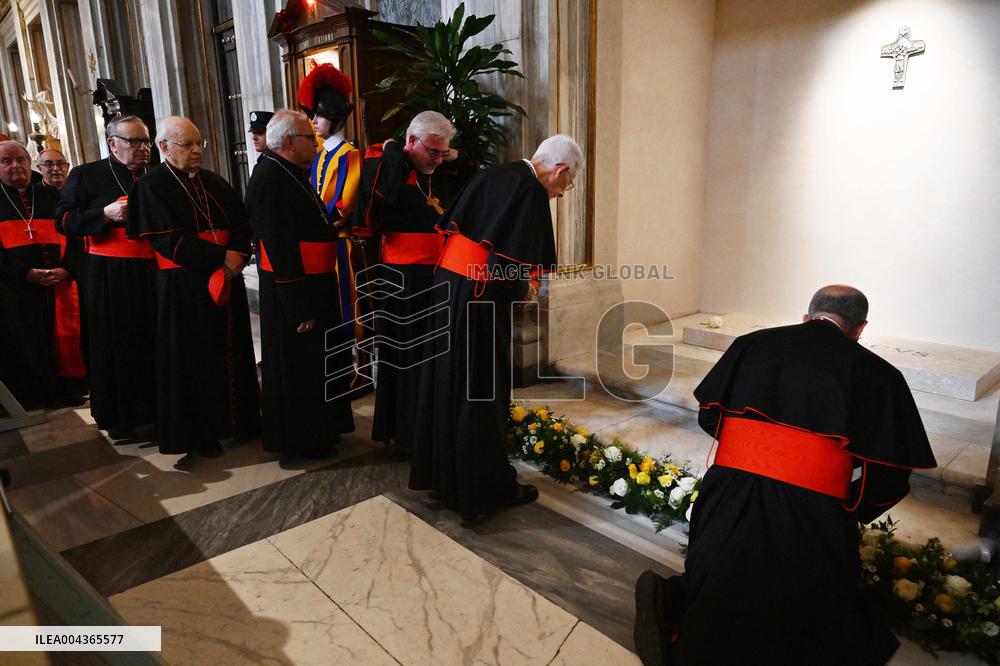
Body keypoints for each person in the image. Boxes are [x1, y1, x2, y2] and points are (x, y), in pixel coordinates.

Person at [633, 285, 938, 666]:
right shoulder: (881, 375)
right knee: (807, 605)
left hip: (729, 491)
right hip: (812, 509)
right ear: (860, 328)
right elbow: (890, 475)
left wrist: (755, 453)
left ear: (806, 316)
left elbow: (709, 414)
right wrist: (850, 507)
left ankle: (678, 610)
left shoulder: (751, 344)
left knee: (718, 574)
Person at [409, 134, 581, 523]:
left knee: (448, 383)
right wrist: (527, 288)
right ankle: (483, 491)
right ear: (561, 170)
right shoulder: (531, 191)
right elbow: (508, 272)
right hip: (477, 301)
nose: (561, 194)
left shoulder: (497, 173)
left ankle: (445, 479)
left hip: (448, 290)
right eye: (566, 186)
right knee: (481, 393)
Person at [126, 116, 259, 459]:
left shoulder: (214, 181)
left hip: (227, 279)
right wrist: (223, 257)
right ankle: (203, 433)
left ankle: (242, 420)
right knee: (194, 360)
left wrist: (238, 257)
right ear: (164, 147)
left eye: (200, 143)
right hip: (183, 286)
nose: (197, 151)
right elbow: (169, 242)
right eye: (188, 145)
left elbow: (244, 225)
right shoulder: (151, 186)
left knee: (234, 349)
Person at [352, 110, 476, 454]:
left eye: (443, 152)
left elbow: (469, 169)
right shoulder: (387, 163)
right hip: (401, 282)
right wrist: (395, 150)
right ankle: (406, 431)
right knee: (405, 357)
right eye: (431, 152)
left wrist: (447, 153)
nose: (437, 160)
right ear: (410, 141)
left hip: (439, 277)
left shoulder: (440, 168)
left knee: (433, 355)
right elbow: (378, 197)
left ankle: (431, 425)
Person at [245, 110, 354, 460]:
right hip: (295, 289)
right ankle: (300, 441)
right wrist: (297, 305)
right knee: (297, 368)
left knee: (316, 364)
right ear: (290, 142)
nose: (316, 142)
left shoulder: (289, 172)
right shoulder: (270, 177)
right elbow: (279, 246)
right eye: (310, 137)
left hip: (315, 284)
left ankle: (322, 428)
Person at [56, 115, 157, 440]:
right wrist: (104, 214)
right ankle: (121, 418)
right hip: (109, 275)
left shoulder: (156, 175)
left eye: (146, 141)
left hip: (153, 271)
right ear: (112, 143)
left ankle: (158, 411)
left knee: (153, 341)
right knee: (115, 345)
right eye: (134, 142)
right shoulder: (85, 176)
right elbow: (64, 220)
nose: (143, 148)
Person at [297, 63, 371, 396]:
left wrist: (317, 223)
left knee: (350, 306)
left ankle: (359, 372)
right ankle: (338, 368)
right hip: (320, 245)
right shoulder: (317, 155)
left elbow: (345, 204)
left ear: (336, 118)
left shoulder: (349, 154)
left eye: (319, 116)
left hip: (340, 245)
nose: (313, 121)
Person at [0, 141, 85, 408]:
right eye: (6, 161)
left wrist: (67, 268)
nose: (15, 166)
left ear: (29, 162)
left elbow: (75, 237)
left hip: (57, 283)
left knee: (57, 340)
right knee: (22, 342)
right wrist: (26, 272)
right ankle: (31, 396)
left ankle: (63, 389)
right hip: (13, 289)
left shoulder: (51, 196)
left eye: (20, 159)